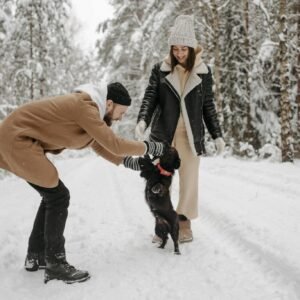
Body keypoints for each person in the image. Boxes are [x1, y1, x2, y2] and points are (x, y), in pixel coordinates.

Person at [0, 82, 165, 284]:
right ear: (110, 104)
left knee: (52, 195)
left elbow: (97, 143)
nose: (121, 117)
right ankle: (55, 264)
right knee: (58, 196)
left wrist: (127, 161)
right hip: (16, 140)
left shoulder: (89, 110)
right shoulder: (84, 107)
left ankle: (36, 256)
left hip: (15, 140)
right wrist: (151, 147)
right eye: (121, 112)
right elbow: (114, 143)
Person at [135, 15, 225, 244]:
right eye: (175, 49)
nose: (179, 54)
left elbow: (208, 105)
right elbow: (150, 98)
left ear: (192, 48)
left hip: (190, 136)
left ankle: (184, 222)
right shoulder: (161, 70)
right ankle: (162, 224)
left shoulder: (203, 73)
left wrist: (217, 134)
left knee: (189, 181)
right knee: (158, 183)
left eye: (184, 49)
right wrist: (142, 120)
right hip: (163, 136)